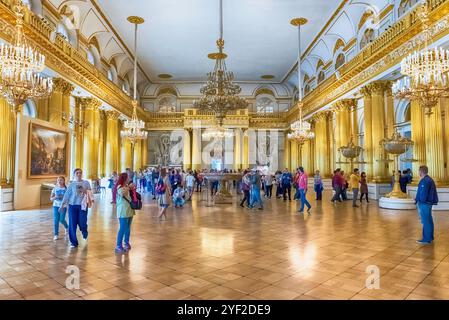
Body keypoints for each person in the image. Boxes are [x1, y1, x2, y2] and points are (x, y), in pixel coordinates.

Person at [60, 168, 92, 248]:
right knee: (72, 224)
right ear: (74, 174)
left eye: (80, 173)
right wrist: (62, 205)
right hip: (72, 206)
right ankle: (73, 242)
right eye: (77, 173)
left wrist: (85, 191)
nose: (79, 174)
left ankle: (84, 231)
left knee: (82, 222)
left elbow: (91, 194)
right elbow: (66, 195)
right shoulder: (72, 184)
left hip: (83, 206)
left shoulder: (86, 183)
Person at [415, 165, 438, 244]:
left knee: (426, 221)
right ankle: (430, 237)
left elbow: (423, 194)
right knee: (429, 220)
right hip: (427, 203)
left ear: (421, 172)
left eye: (419, 171)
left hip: (424, 204)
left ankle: (426, 239)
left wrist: (420, 201)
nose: (418, 173)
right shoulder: (428, 179)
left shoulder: (425, 181)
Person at [115, 173, 135, 253]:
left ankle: (126, 242)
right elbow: (122, 193)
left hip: (129, 209)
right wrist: (129, 187)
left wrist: (131, 188)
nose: (129, 178)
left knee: (128, 228)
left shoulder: (127, 186)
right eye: (128, 177)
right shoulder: (119, 186)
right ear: (124, 178)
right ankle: (118, 245)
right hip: (123, 210)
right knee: (122, 228)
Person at [50, 176, 68, 240]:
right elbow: (51, 199)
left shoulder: (66, 189)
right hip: (56, 206)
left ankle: (66, 227)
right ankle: (56, 234)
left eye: (61, 180)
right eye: (58, 180)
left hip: (63, 206)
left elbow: (68, 199)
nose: (59, 181)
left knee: (62, 219)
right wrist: (55, 197)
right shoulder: (55, 188)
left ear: (63, 181)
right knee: (56, 220)